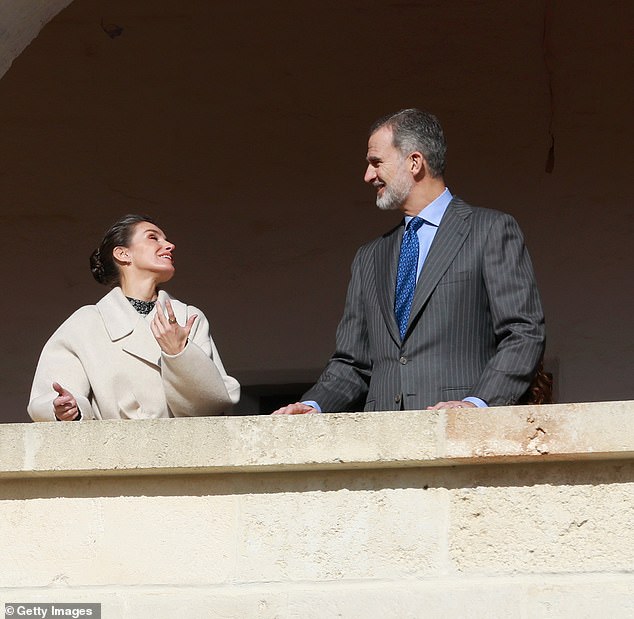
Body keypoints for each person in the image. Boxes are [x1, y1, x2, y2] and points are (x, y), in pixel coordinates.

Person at [274, 109, 545, 415]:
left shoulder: (489, 231)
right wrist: (313, 404)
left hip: (459, 435)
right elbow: (352, 362)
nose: (368, 175)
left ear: (415, 162)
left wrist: (477, 403)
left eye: (377, 162)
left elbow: (523, 333)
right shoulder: (369, 257)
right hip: (383, 443)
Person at [28, 214, 240, 421]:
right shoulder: (87, 323)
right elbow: (54, 395)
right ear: (122, 254)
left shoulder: (189, 317)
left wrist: (179, 353)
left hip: (185, 449)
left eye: (165, 239)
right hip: (114, 451)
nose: (169, 245)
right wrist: (67, 409)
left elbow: (212, 404)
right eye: (153, 237)